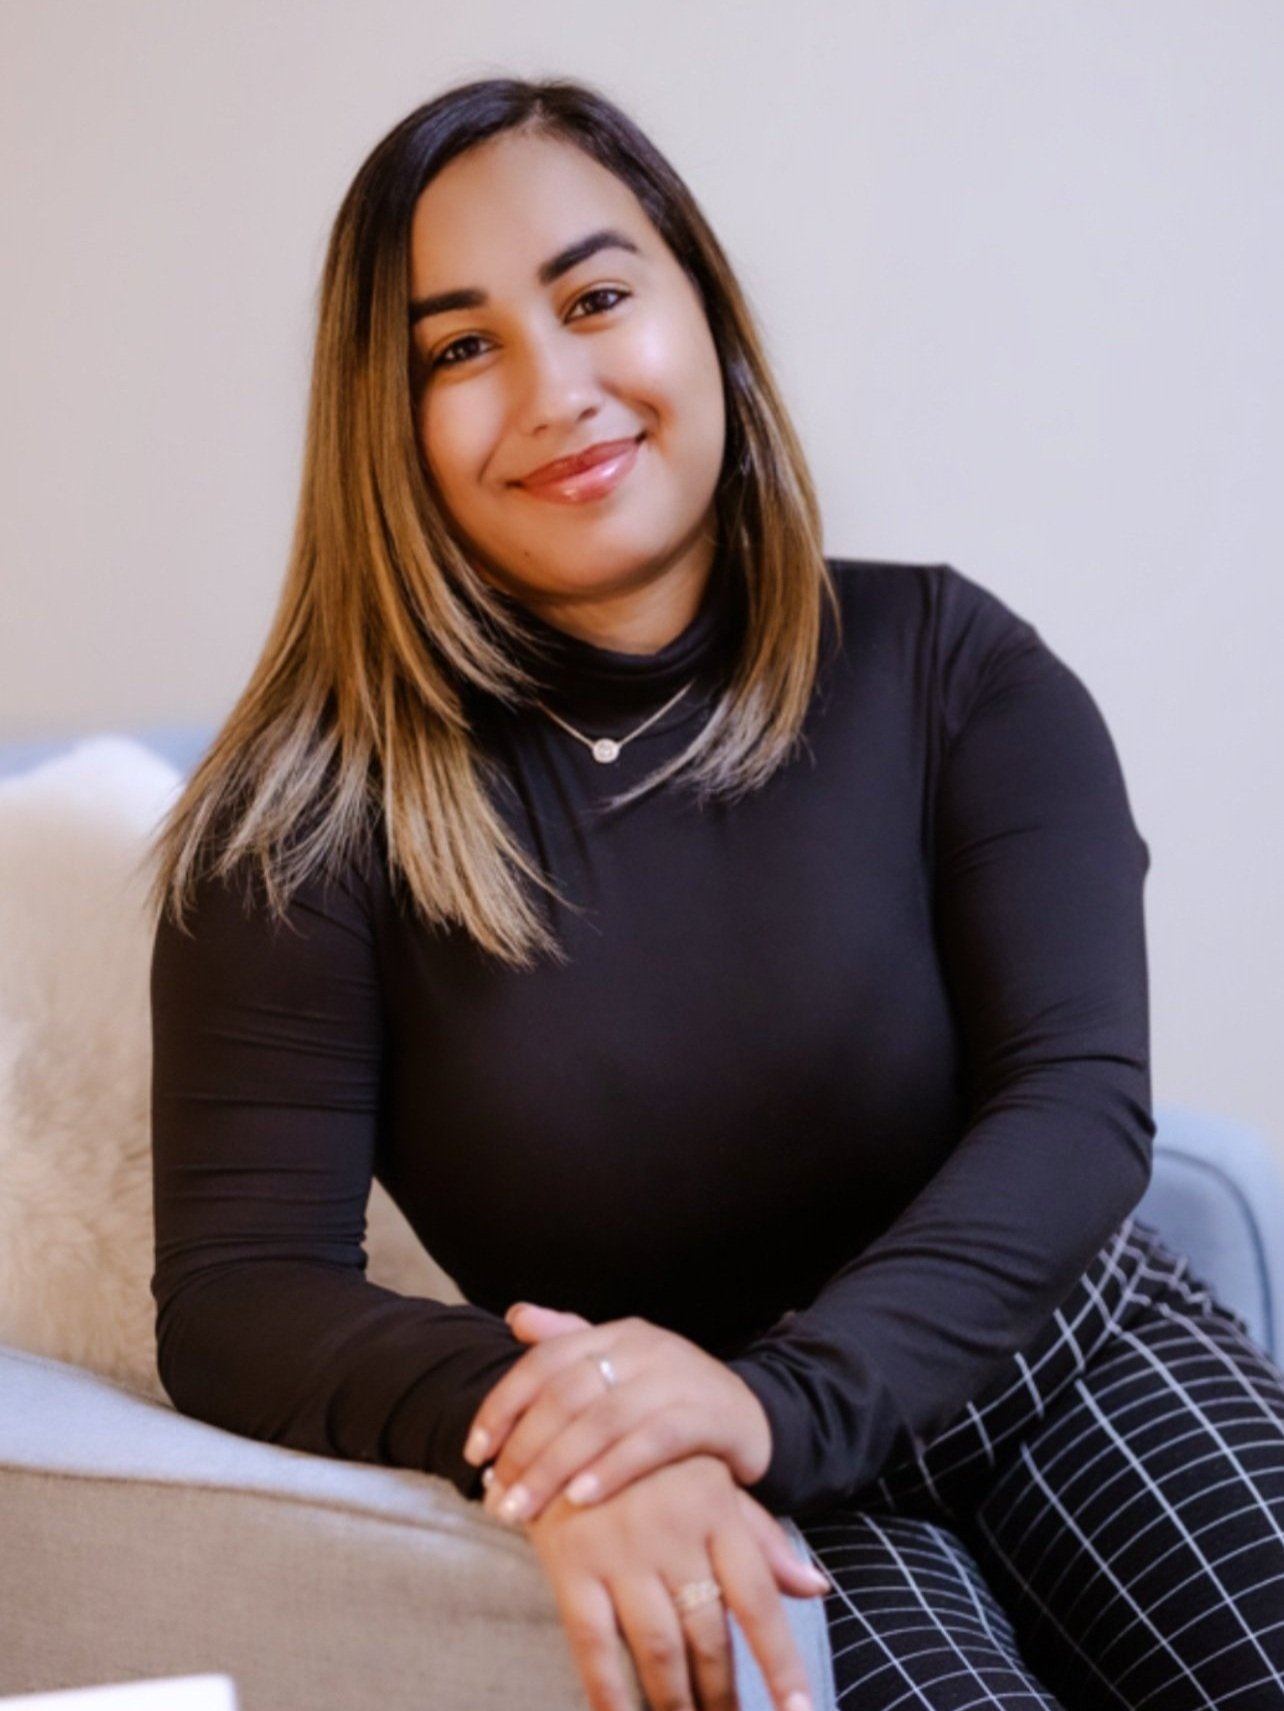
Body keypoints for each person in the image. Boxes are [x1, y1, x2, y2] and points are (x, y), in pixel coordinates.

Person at [146, 74, 1284, 1711]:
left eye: (599, 297)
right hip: (726, 1478)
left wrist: (781, 1397)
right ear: (383, 429)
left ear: (708, 320)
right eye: (459, 350)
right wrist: (587, 1425)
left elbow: (1077, 1106)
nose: (555, 389)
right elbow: (244, 1297)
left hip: (1068, 1363)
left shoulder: (953, 668)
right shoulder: (302, 824)